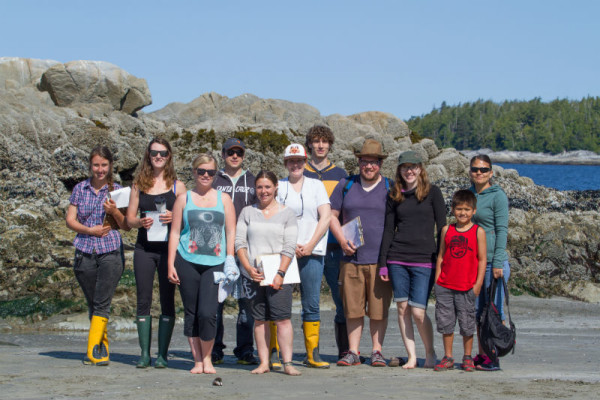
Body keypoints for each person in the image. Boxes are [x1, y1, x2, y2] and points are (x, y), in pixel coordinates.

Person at [167, 153, 237, 374]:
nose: (206, 175)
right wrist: (170, 264)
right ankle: (197, 361)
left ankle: (208, 358)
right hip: (186, 260)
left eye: (210, 172)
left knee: (208, 312)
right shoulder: (183, 199)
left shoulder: (224, 199)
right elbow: (176, 232)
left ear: (215, 174)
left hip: (215, 262)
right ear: (194, 172)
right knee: (191, 312)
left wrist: (230, 258)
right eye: (201, 171)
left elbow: (231, 230)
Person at [378, 150, 446, 369]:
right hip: (397, 258)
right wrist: (382, 264)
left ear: (420, 169)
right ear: (399, 170)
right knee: (402, 308)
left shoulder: (433, 193)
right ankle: (413, 357)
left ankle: (429, 352)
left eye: (413, 166)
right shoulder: (394, 194)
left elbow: (443, 229)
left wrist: (442, 260)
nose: (409, 170)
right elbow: (388, 230)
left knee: (418, 311)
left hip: (425, 260)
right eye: (405, 167)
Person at [329, 138, 393, 367]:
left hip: (380, 260)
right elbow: (331, 215)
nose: (369, 166)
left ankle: (377, 351)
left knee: (378, 310)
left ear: (380, 164)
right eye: (365, 161)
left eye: (374, 162)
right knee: (352, 309)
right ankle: (353, 351)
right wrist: (342, 240)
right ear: (358, 161)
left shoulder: (390, 186)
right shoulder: (346, 184)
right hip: (351, 258)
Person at [66, 145, 130, 365]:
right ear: (90, 166)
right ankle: (101, 346)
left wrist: (113, 211)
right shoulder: (79, 189)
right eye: (96, 165)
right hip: (84, 251)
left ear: (110, 166)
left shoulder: (118, 190)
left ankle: (93, 351)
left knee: (102, 302)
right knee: (93, 303)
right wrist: (89, 230)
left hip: (110, 251)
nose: (100, 169)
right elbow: (70, 220)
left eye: (104, 165)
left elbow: (125, 225)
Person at [127, 138, 186, 368]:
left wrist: (174, 217)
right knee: (143, 299)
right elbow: (129, 219)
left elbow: (188, 218)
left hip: (168, 251)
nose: (158, 157)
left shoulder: (178, 186)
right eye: (154, 153)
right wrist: (139, 222)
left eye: (163, 153)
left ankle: (162, 354)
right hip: (143, 249)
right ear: (148, 155)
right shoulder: (138, 184)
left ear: (169, 156)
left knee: (167, 300)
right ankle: (144, 354)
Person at [235, 170, 301, 376]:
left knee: (282, 319)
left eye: (267, 187)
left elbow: (289, 246)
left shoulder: (287, 213)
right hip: (254, 274)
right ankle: (264, 362)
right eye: (260, 187)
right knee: (260, 320)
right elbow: (239, 243)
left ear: (275, 188)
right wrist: (247, 268)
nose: (263, 191)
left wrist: (280, 272)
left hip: (280, 273)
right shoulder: (247, 212)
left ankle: (287, 362)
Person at [277, 143, 332, 368]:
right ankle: (276, 352)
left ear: (305, 161)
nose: (295, 164)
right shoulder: (278, 186)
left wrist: (309, 245)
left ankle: (312, 354)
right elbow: (273, 217)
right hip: (284, 252)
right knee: (279, 303)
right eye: (291, 160)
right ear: (285, 163)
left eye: (299, 160)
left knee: (311, 303)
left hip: (313, 250)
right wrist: (291, 245)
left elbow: (326, 217)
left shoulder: (316, 185)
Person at [211, 138, 258, 366]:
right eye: (231, 152)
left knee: (247, 301)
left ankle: (245, 349)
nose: (235, 156)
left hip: (246, 248)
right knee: (216, 301)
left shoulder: (253, 179)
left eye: (239, 152)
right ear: (223, 154)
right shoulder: (213, 179)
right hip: (217, 247)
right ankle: (215, 349)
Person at [303, 125, 349, 359]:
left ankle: (344, 351)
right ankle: (313, 352)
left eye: (324, 141)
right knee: (310, 301)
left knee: (342, 300)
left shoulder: (340, 174)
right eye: (316, 141)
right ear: (309, 144)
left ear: (330, 144)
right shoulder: (301, 171)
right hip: (308, 247)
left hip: (333, 247)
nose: (320, 145)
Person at [433, 190, 487, 372]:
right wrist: (437, 280)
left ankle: (467, 356)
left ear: (473, 211)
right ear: (453, 209)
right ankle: (448, 356)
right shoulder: (447, 230)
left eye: (467, 209)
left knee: (467, 323)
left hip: (467, 287)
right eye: (459, 209)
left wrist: (478, 284)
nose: (462, 213)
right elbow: (440, 256)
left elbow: (482, 259)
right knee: (446, 323)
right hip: (445, 285)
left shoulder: (478, 231)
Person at [469, 154, 510, 371]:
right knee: (478, 313)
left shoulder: (498, 196)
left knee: (494, 313)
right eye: (475, 169)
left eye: (484, 169)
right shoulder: (470, 195)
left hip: (494, 262)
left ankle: (495, 356)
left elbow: (502, 230)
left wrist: (498, 263)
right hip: (474, 263)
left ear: (491, 173)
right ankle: (482, 354)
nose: (479, 173)